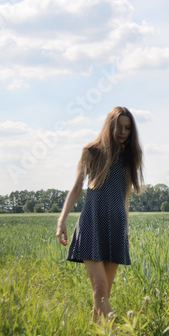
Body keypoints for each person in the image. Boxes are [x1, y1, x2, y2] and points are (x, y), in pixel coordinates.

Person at [56, 106, 144, 323]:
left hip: (115, 227)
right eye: (119, 127)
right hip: (91, 225)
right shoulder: (91, 151)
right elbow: (77, 188)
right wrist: (61, 221)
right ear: (109, 126)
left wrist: (126, 230)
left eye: (128, 128)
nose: (123, 132)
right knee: (100, 287)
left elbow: (124, 199)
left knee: (104, 293)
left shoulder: (128, 158)